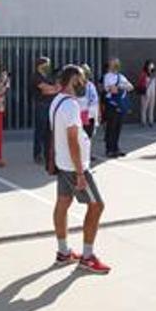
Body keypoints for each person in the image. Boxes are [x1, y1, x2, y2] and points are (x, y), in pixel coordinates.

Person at [50, 65, 110, 274]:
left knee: (63, 204)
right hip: (74, 166)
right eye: (82, 79)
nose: (84, 83)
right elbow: (72, 140)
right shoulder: (71, 106)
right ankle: (87, 256)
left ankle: (63, 252)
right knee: (96, 206)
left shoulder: (57, 101)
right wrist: (80, 173)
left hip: (63, 164)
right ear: (73, 79)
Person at [102, 58, 133, 158]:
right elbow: (113, 90)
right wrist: (122, 86)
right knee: (111, 127)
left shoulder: (121, 76)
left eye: (116, 63)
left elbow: (131, 87)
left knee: (118, 128)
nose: (115, 65)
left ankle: (116, 148)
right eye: (113, 63)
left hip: (120, 105)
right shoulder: (107, 76)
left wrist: (120, 86)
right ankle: (109, 149)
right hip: (111, 105)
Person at [31, 57, 59, 164]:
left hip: (50, 104)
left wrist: (53, 89)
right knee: (40, 130)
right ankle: (37, 154)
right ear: (40, 65)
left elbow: (56, 88)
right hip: (41, 105)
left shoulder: (48, 76)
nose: (48, 66)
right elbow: (46, 90)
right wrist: (54, 89)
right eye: (46, 64)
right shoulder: (36, 77)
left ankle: (48, 154)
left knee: (49, 130)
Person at [77, 64, 100, 138]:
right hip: (77, 115)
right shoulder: (74, 86)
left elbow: (94, 102)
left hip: (88, 115)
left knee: (87, 137)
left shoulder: (90, 86)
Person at [135, 60, 156, 127]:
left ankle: (151, 121)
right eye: (150, 64)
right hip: (145, 92)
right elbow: (140, 82)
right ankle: (143, 121)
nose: (152, 66)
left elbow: (155, 84)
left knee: (151, 107)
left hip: (152, 92)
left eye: (152, 65)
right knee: (144, 108)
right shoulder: (143, 73)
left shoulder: (154, 74)